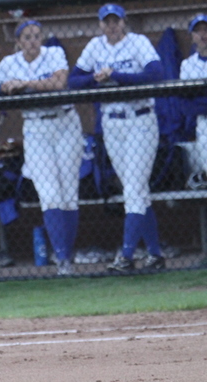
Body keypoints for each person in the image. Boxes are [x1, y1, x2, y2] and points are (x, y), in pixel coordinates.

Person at [69, 3, 165, 272]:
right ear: (100, 24)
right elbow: (74, 81)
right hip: (112, 123)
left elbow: (156, 74)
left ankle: (126, 257)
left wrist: (117, 76)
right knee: (137, 191)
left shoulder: (138, 42)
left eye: (116, 21)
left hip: (140, 120)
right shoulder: (95, 46)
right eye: (106, 21)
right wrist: (96, 80)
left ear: (124, 22)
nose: (111, 25)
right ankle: (156, 255)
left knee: (133, 189)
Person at [0, 21, 83, 276]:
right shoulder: (10, 62)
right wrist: (3, 87)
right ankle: (62, 260)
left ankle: (66, 256)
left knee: (69, 194)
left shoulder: (53, 53)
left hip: (65, 124)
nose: (32, 41)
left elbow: (59, 82)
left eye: (36, 36)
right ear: (18, 41)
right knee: (49, 195)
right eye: (27, 37)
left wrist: (24, 84)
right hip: (36, 128)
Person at [180, 14, 207, 185]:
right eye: (198, 31)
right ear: (192, 37)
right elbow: (187, 104)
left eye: (206, 30)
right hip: (204, 122)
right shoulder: (188, 65)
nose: (203, 35)